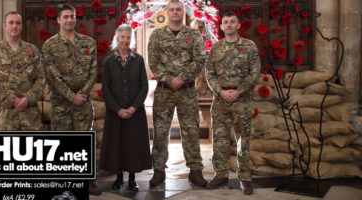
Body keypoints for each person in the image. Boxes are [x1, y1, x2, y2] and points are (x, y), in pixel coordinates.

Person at [41, 4, 100, 195]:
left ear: (76, 18)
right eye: (65, 17)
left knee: (84, 143)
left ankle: (88, 181)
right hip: (61, 104)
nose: (69, 20)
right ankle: (63, 182)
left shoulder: (88, 43)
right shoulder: (50, 45)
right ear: (58, 20)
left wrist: (81, 94)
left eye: (72, 16)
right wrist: (70, 96)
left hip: (83, 101)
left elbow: (93, 72)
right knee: (62, 144)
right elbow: (52, 76)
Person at [147, 0, 207, 187]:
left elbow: (199, 60)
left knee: (190, 131)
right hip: (164, 91)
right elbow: (153, 61)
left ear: (183, 12)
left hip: (186, 90)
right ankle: (158, 171)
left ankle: (195, 171)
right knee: (160, 132)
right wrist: (168, 79)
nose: (175, 12)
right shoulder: (157, 34)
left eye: (178, 9)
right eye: (171, 9)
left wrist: (181, 78)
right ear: (167, 12)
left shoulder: (194, 34)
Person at [205, 12, 261, 195]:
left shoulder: (249, 46)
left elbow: (255, 72)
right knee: (219, 140)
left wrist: (239, 91)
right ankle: (220, 175)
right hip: (221, 100)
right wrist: (220, 91)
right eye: (225, 22)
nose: (228, 25)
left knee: (242, 140)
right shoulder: (215, 48)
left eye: (232, 22)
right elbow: (209, 73)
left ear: (238, 26)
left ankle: (245, 177)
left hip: (241, 99)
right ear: (221, 27)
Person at [99, 24, 151, 191]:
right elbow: (105, 89)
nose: (125, 40)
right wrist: (118, 109)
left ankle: (132, 179)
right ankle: (119, 177)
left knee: (133, 145)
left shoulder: (139, 60)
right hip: (116, 112)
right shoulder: (108, 62)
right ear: (117, 39)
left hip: (135, 112)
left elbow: (144, 86)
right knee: (117, 144)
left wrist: (134, 108)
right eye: (122, 37)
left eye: (128, 37)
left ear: (131, 40)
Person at [0, 11, 45, 131]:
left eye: (18, 23)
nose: (14, 26)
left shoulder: (32, 50)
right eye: (11, 23)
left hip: (30, 116)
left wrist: (27, 99)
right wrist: (12, 100)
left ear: (21, 26)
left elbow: (41, 79)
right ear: (4, 26)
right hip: (6, 116)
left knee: (31, 148)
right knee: (7, 148)